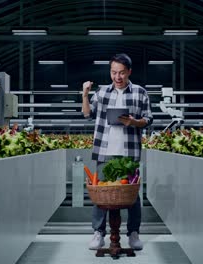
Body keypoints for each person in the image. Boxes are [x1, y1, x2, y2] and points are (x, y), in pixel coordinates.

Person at [81, 53, 153, 250]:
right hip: (104, 150)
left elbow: (148, 119)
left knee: (132, 195)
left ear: (129, 72)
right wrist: (85, 95)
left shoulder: (140, 92)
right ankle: (98, 233)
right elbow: (88, 114)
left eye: (121, 73)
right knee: (100, 193)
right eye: (114, 72)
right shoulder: (102, 92)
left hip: (129, 152)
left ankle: (133, 233)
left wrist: (134, 122)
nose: (117, 77)